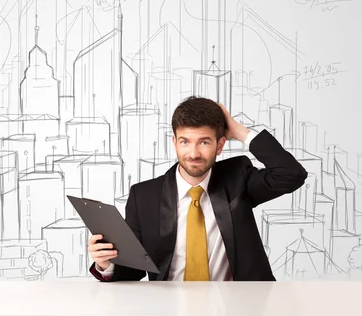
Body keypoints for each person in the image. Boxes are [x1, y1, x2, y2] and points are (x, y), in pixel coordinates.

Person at [87, 96, 308, 281]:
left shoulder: (237, 178)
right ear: (174, 142)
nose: (193, 153)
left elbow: (291, 174)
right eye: (185, 142)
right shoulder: (144, 196)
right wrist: (106, 263)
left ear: (220, 145)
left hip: (238, 307)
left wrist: (240, 132)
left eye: (203, 142)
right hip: (169, 307)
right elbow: (132, 271)